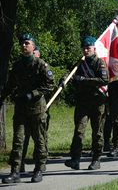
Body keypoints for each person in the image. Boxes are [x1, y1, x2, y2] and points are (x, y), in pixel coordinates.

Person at [1, 34, 54, 183]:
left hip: (37, 110)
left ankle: (38, 169)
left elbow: (50, 84)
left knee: (39, 141)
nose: (24, 46)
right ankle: (15, 171)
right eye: (22, 44)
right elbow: (10, 85)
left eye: (27, 43)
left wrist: (33, 94)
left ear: (33, 46)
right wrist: (2, 97)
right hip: (21, 109)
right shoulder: (18, 66)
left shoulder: (41, 65)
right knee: (18, 141)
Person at [64, 36, 109, 171]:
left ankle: (96, 159)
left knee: (97, 133)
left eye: (88, 48)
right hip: (83, 102)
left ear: (94, 49)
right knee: (79, 131)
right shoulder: (80, 63)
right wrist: (64, 79)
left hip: (97, 102)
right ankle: (75, 159)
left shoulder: (99, 63)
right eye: (84, 48)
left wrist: (84, 80)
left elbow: (104, 79)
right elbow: (71, 74)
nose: (86, 50)